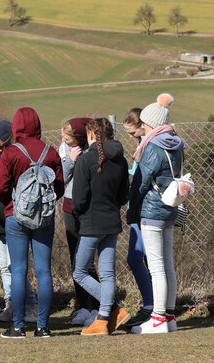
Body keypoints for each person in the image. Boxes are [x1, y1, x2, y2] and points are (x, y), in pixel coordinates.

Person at [0, 107, 64, 339]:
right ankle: (43, 327)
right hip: (44, 218)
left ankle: (18, 326)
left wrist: (11, 204)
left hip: (16, 217)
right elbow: (60, 186)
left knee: (19, 270)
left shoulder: (11, 152)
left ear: (16, 127)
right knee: (44, 271)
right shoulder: (51, 152)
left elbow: (0, 187)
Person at [128, 94, 183, 334]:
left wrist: (132, 208)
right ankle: (169, 315)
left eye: (145, 121)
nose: (143, 126)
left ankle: (158, 318)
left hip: (151, 211)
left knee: (156, 265)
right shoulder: (176, 144)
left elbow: (140, 183)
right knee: (167, 264)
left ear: (151, 122)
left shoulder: (153, 146)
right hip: (170, 209)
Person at [71, 118, 131, 335]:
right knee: (107, 274)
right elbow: (124, 195)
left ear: (91, 135)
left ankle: (109, 310)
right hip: (112, 222)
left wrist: (80, 214)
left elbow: (78, 199)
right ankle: (108, 315)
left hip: (90, 223)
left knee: (79, 272)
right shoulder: (121, 160)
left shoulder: (86, 160)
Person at [0, 120, 38, 324]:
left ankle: (30, 303)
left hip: (12, 217)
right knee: (5, 266)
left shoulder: (14, 157)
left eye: (0, 144)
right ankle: (11, 304)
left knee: (15, 265)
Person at [59, 117, 101, 326]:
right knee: (75, 257)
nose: (64, 142)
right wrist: (71, 161)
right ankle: (83, 306)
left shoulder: (94, 149)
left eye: (68, 139)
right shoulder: (65, 149)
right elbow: (62, 179)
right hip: (69, 207)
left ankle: (96, 306)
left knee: (88, 259)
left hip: (89, 209)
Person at [121, 108, 155, 328]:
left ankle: (151, 306)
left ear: (144, 126)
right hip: (138, 210)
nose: (131, 137)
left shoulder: (148, 148)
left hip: (143, 211)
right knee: (142, 259)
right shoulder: (141, 146)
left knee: (137, 259)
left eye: (133, 133)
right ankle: (153, 304)